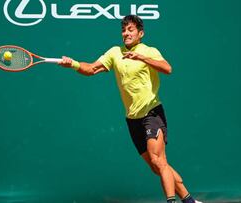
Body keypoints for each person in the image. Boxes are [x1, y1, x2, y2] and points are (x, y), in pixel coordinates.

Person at [58, 15, 202, 203]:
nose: (126, 33)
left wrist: (142, 57)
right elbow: (91, 69)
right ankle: (190, 201)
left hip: (152, 112)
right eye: (124, 30)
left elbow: (167, 68)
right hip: (132, 119)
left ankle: (171, 201)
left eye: (130, 30)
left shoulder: (149, 50)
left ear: (140, 33)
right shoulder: (114, 52)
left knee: (159, 161)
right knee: (155, 166)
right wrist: (74, 64)